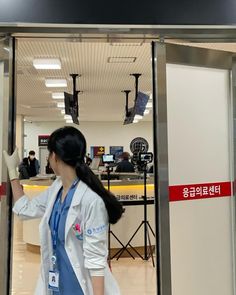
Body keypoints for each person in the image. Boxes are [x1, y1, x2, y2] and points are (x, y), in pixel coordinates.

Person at [3, 126, 123, 295]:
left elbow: (96, 261)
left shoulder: (91, 200)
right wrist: (12, 172)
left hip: (80, 286)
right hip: (55, 284)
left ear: (54, 156)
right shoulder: (56, 189)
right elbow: (25, 210)